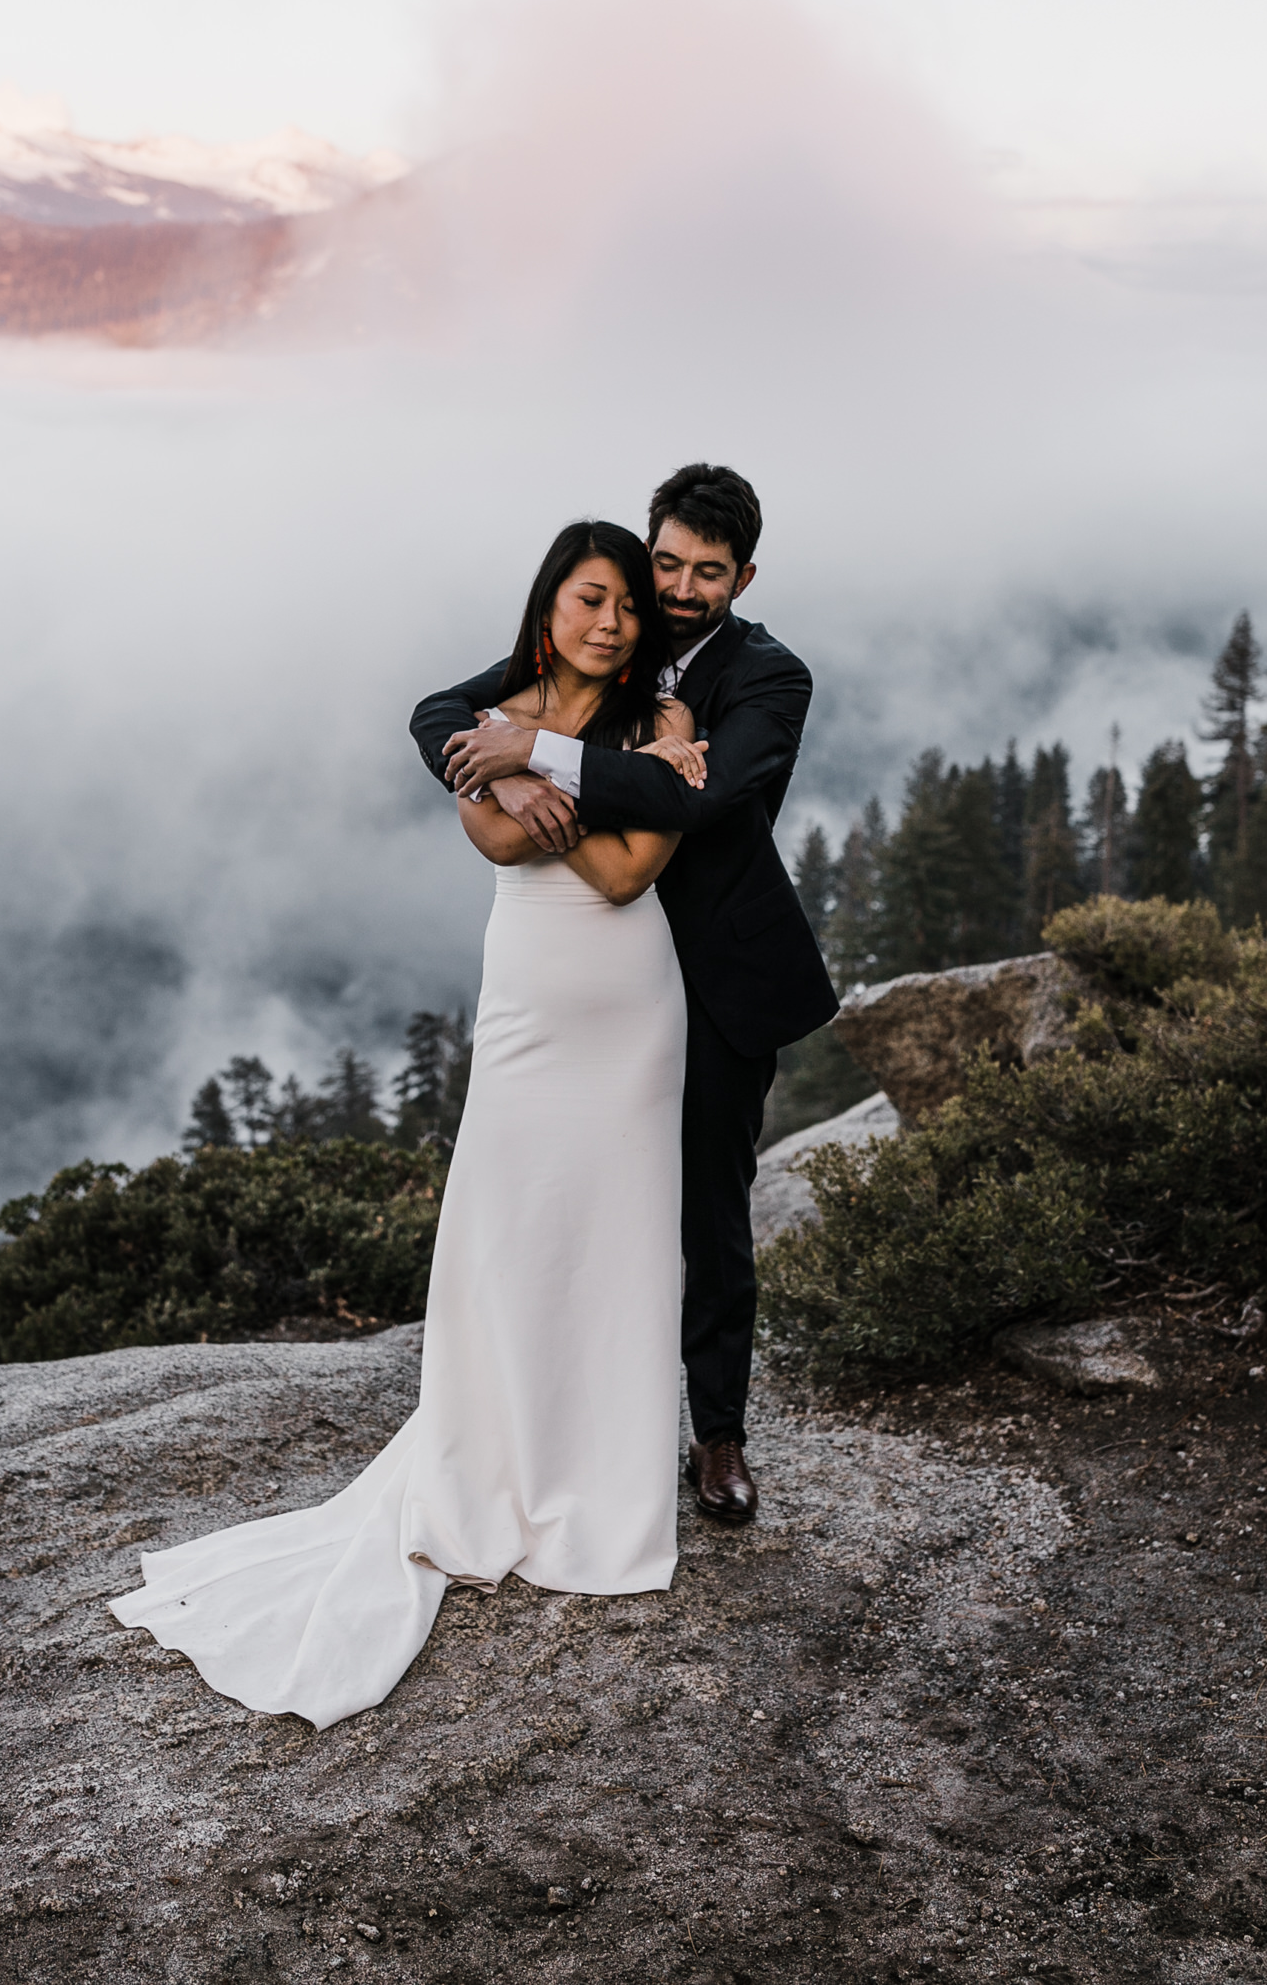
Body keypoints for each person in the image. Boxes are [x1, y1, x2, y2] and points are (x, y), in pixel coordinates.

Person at [109, 520, 707, 1731]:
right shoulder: (490, 712)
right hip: (531, 999)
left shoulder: (647, 723)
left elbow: (629, 874)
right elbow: (494, 832)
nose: (612, 622)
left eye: (630, 609)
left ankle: (604, 1484)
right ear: (549, 606)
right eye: (591, 599)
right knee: (510, 1223)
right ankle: (501, 1459)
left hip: (633, 1004)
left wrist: (546, 777)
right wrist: (536, 781)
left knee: (624, 1233)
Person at [413, 464, 837, 1528]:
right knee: (585, 1197)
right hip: (593, 979)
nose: (680, 590)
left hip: (717, 974)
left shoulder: (769, 677)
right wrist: (494, 771)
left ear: (744, 574)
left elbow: (690, 796)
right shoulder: (614, 635)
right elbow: (438, 710)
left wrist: (533, 750)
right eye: (666, 564)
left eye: (707, 573)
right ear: (647, 549)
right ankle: (580, 1419)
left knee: (708, 1207)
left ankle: (719, 1438)